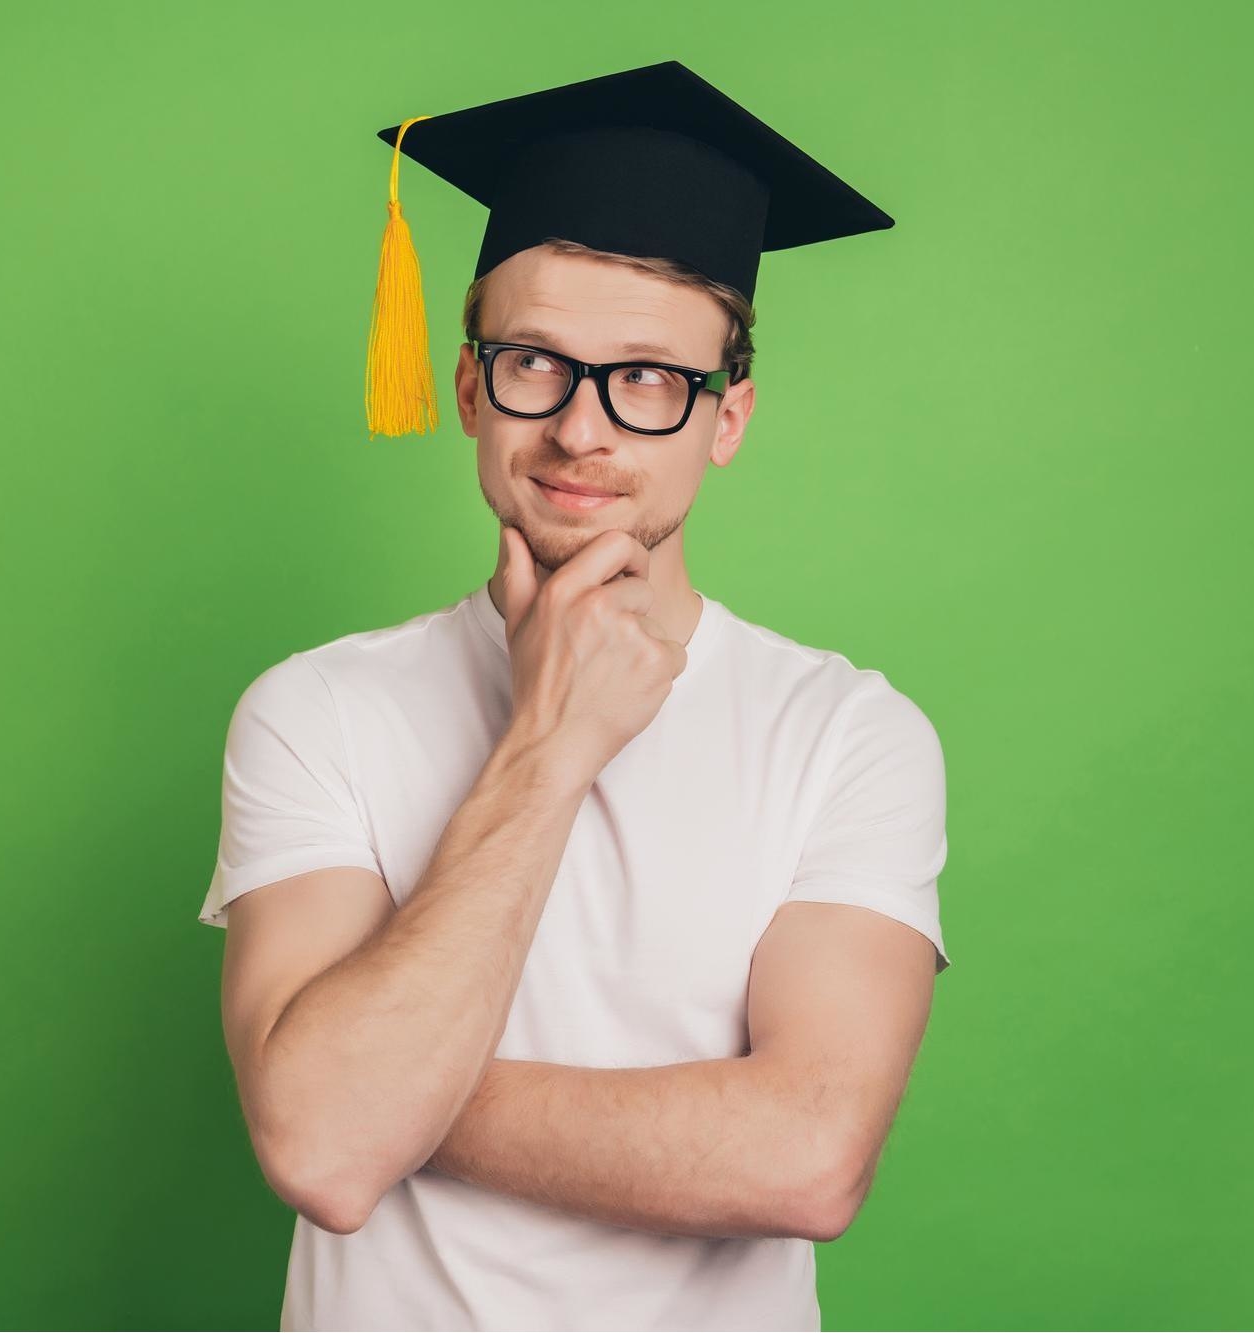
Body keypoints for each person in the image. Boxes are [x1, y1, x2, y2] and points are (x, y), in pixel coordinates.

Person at [197, 60, 950, 1332]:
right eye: (533, 362)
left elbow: (808, 1160)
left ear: (726, 418)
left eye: (650, 378)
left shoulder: (845, 734)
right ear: (464, 385)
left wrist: (384, 1095)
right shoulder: (314, 711)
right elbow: (323, 1161)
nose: (582, 432)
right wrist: (548, 745)